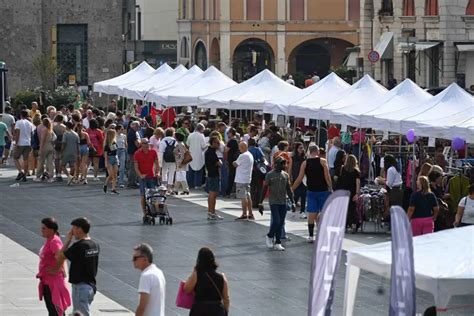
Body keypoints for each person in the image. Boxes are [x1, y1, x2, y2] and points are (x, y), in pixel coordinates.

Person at [53, 217, 100, 316]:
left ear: (80, 229)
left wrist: (68, 240)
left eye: (73, 229)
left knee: (81, 314)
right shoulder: (95, 245)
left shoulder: (79, 246)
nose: (72, 232)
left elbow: (59, 256)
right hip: (90, 286)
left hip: (80, 287)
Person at [292, 144, 332, 242]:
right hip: (323, 191)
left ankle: (310, 236)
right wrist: (331, 188)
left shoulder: (305, 163)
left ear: (309, 152)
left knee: (311, 214)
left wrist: (291, 189)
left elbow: (299, 179)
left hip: (311, 191)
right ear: (318, 152)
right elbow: (327, 177)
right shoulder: (323, 162)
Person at [37, 217, 71, 316]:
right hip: (47, 281)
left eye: (44, 228)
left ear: (51, 230)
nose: (41, 230)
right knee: (53, 310)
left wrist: (56, 269)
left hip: (53, 282)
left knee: (55, 311)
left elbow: (61, 256)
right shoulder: (50, 240)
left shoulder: (54, 242)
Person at [260, 157, 295, 251]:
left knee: (281, 222)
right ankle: (269, 236)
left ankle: (278, 242)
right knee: (276, 221)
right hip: (274, 201)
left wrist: (293, 202)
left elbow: (289, 189)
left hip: (283, 201)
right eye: (282, 163)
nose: (284, 165)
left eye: (285, 163)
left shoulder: (285, 175)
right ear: (276, 164)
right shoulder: (269, 175)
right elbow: (264, 189)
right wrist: (260, 203)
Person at [184, 247, 229, 316]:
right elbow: (226, 298)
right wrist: (225, 312)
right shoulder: (222, 277)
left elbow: (187, 289)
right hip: (217, 310)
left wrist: (194, 271)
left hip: (199, 310)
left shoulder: (196, 275)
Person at [133, 243, 166, 316]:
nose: (133, 261)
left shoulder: (146, 276)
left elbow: (142, 305)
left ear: (145, 259)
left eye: (135, 258)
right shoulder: (159, 272)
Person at [134, 138, 160, 219]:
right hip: (143, 178)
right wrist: (140, 175)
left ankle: (154, 210)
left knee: (153, 194)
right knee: (143, 195)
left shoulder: (153, 152)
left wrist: (158, 173)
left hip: (151, 176)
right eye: (144, 143)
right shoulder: (137, 153)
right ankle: (144, 213)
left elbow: (157, 163)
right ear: (141, 144)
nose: (146, 145)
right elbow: (136, 167)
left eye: (147, 143)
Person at [336, 155, 361, 233]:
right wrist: (357, 193)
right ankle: (353, 225)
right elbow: (357, 183)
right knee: (352, 209)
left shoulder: (342, 169)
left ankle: (344, 225)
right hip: (352, 192)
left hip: (343, 192)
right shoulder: (356, 171)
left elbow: (339, 180)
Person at [233, 142, 255, 220]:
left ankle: (244, 213)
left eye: (240, 147)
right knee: (248, 196)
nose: (239, 149)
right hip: (247, 178)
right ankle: (251, 213)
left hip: (240, 179)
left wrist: (233, 162)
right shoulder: (250, 155)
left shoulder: (242, 155)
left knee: (243, 197)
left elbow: (235, 164)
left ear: (242, 147)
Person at [13, 110, 35, 181]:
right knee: (26, 160)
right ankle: (25, 175)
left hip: (20, 143)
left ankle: (20, 172)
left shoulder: (18, 122)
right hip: (28, 143)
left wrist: (16, 143)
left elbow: (17, 133)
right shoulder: (30, 123)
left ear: (21, 115)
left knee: (15, 157)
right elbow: (32, 134)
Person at [205, 136, 223, 220]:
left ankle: (211, 212)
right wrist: (219, 162)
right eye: (216, 142)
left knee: (213, 193)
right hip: (213, 174)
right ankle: (211, 212)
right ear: (212, 143)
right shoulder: (211, 152)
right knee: (213, 193)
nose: (218, 144)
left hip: (211, 174)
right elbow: (219, 163)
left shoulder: (210, 151)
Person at [34, 118, 55, 182]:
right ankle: (51, 177)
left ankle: (38, 176)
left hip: (45, 146)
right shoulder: (50, 130)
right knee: (50, 162)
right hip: (50, 146)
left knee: (41, 162)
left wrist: (40, 149)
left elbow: (42, 140)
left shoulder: (44, 130)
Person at [187, 123, 207, 189]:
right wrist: (208, 144)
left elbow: (187, 144)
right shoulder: (201, 136)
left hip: (191, 154)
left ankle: (190, 184)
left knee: (191, 170)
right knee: (199, 170)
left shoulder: (190, 135)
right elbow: (203, 146)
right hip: (199, 155)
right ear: (201, 129)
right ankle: (197, 184)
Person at [248, 138, 265, 209]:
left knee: (252, 187)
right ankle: (259, 202)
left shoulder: (248, 150)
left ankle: (253, 202)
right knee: (259, 187)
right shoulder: (258, 149)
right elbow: (263, 159)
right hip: (259, 170)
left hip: (251, 170)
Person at [291, 142, 307, 219]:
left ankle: (302, 211)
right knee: (296, 194)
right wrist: (289, 177)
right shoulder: (293, 158)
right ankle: (293, 209)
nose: (302, 149)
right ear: (296, 149)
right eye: (300, 148)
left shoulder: (305, 158)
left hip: (303, 179)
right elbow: (290, 168)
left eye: (302, 148)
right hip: (295, 178)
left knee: (303, 195)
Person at [159, 128, 177, 194]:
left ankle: (164, 186)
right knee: (172, 173)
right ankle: (170, 188)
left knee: (164, 173)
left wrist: (160, 163)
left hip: (165, 160)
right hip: (173, 159)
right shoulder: (175, 141)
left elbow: (161, 152)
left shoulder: (163, 141)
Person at [224, 128, 239, 196]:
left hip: (231, 160)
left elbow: (226, 151)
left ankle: (228, 191)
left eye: (228, 133)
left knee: (231, 176)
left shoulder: (231, 141)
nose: (227, 134)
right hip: (235, 160)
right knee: (233, 176)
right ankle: (233, 191)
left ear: (231, 133)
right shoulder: (236, 141)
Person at [103, 128, 119, 194]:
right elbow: (105, 155)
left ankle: (113, 188)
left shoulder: (114, 142)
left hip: (115, 158)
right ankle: (105, 184)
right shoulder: (107, 145)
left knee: (115, 175)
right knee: (111, 174)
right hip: (109, 158)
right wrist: (106, 162)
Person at [127, 121, 141, 188]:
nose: (138, 127)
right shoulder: (132, 133)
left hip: (133, 152)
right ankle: (132, 183)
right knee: (133, 168)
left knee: (133, 167)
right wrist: (142, 143)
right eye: (137, 126)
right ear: (132, 126)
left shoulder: (133, 132)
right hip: (133, 152)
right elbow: (137, 144)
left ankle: (133, 182)